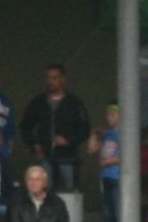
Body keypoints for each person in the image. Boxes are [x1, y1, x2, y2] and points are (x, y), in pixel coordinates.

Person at [19, 64, 93, 192]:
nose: (51, 81)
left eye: (55, 78)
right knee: (44, 192)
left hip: (67, 158)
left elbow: (85, 128)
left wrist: (68, 140)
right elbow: (25, 126)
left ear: (63, 79)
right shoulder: (39, 102)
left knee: (68, 193)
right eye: (48, 78)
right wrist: (34, 144)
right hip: (44, 157)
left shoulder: (74, 103)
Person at [94, 103, 124, 222]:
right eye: (108, 114)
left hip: (118, 177)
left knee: (119, 212)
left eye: (114, 114)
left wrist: (110, 161)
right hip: (105, 177)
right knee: (108, 213)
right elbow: (91, 149)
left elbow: (129, 157)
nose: (110, 118)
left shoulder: (125, 134)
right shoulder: (106, 134)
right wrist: (94, 134)